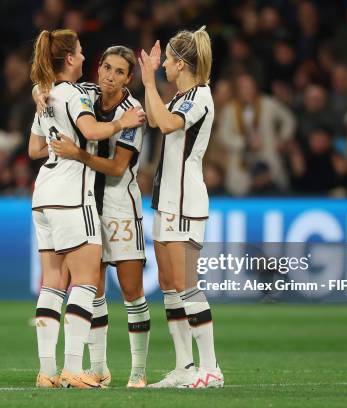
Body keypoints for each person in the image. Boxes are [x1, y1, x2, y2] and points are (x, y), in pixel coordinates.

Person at [27, 29, 144, 389]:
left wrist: (39, 95)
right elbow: (91, 130)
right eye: (79, 52)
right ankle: (75, 368)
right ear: (71, 59)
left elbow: (34, 149)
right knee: (87, 282)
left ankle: (46, 371)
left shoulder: (47, 97)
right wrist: (120, 124)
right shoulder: (75, 94)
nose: (84, 57)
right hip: (71, 196)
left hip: (42, 195)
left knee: (52, 285)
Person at [138, 26, 223, 388]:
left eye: (169, 60)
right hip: (167, 200)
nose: (165, 66)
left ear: (182, 63)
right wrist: (148, 82)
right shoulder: (179, 97)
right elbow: (157, 119)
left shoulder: (199, 97)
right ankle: (184, 366)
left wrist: (150, 81)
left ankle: (211, 368)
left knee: (188, 284)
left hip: (186, 201)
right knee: (169, 284)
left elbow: (169, 123)